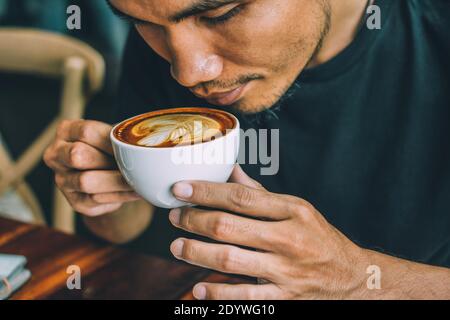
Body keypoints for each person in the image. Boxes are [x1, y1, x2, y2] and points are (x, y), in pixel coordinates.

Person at [44, 0, 450, 299]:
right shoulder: (167, 26)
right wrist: (105, 191)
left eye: (220, 14)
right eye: (139, 22)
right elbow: (124, 230)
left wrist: (361, 280)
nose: (187, 72)